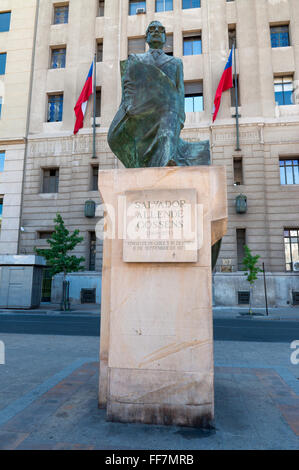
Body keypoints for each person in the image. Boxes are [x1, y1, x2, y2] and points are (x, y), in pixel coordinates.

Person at [108, 21, 210, 168]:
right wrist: (129, 105)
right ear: (147, 37)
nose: (156, 31)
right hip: (141, 113)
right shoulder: (135, 60)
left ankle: (164, 161)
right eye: (152, 29)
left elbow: (180, 91)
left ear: (164, 37)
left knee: (167, 132)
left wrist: (180, 117)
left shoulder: (175, 63)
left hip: (167, 113)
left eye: (160, 29)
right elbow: (128, 85)